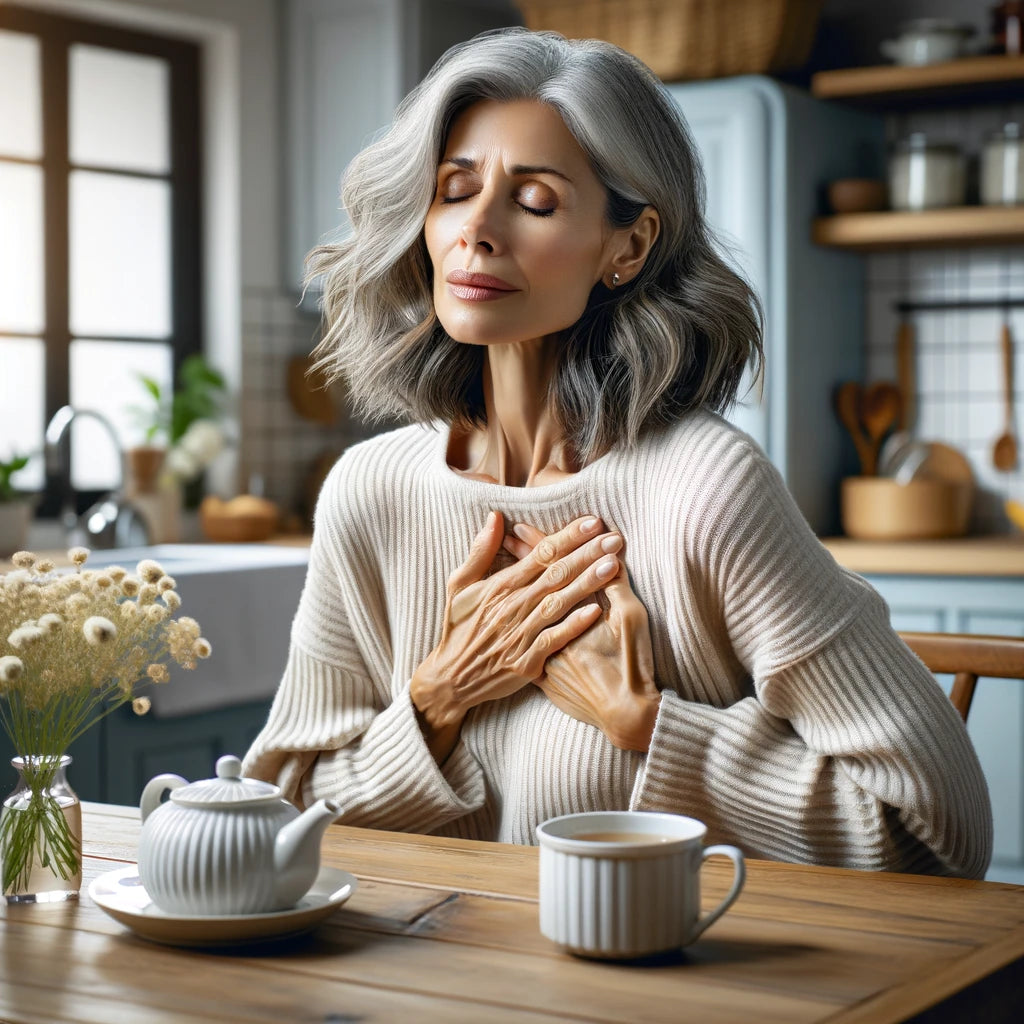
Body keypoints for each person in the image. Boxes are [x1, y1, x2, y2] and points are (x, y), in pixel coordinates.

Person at [243, 28, 991, 877]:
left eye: (534, 202)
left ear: (627, 248)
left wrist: (651, 727)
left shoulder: (704, 490)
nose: (477, 231)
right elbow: (279, 817)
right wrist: (438, 695)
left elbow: (937, 830)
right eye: (454, 190)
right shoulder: (368, 492)